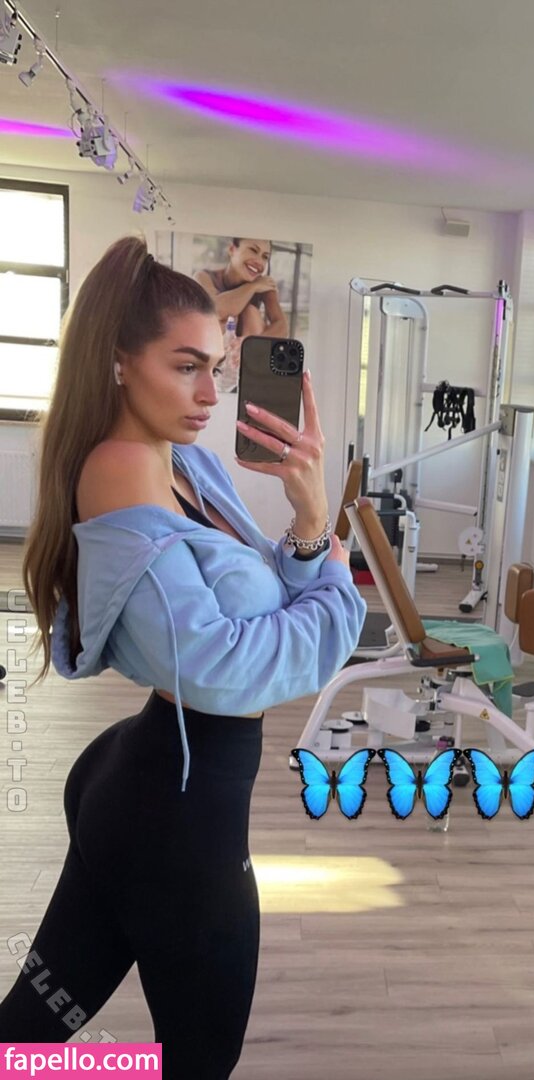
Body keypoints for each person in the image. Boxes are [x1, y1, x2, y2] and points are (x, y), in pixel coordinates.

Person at [0, 236, 366, 1079]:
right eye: (187, 367)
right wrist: (337, 592)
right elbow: (221, 667)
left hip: (150, 785)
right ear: (120, 362)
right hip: (173, 815)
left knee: (31, 1033)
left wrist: (310, 521)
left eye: (218, 367)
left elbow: (265, 593)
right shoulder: (123, 467)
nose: (211, 393)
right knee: (197, 1060)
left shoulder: (185, 460)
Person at [196, 237, 289, 340]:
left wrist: (249, 342)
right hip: (214, 344)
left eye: (265, 257)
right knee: (222, 319)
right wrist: (253, 286)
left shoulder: (265, 285)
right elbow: (218, 310)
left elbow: (282, 328)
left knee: (250, 313)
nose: (259, 261)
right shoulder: (205, 277)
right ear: (232, 250)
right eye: (253, 250)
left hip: (247, 346)